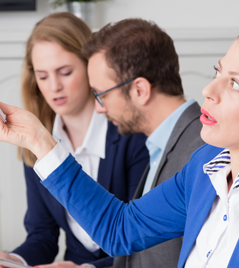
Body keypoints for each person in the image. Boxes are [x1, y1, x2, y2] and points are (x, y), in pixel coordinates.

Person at [0, 21, 239, 267]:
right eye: (218, 73)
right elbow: (119, 228)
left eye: (235, 84)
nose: (209, 91)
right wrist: (40, 141)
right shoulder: (206, 166)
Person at [0, 13, 149, 268]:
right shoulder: (36, 140)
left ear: (91, 68)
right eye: (43, 76)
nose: (54, 86)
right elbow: (43, 235)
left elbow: (145, 241)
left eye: (65, 72)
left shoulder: (132, 136)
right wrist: (14, 259)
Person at [81, 19, 205, 268]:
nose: (98, 107)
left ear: (139, 90)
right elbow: (148, 252)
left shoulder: (199, 149)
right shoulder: (163, 142)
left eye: (101, 94)